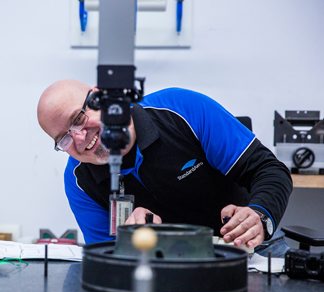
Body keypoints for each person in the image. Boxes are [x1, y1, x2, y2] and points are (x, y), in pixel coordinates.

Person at [37, 80, 293, 256]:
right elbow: (107, 257)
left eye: (78, 119)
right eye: (65, 138)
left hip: (249, 252)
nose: (80, 139)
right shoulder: (79, 181)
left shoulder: (182, 110)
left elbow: (269, 170)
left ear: (99, 97)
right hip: (165, 266)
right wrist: (131, 241)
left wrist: (259, 215)